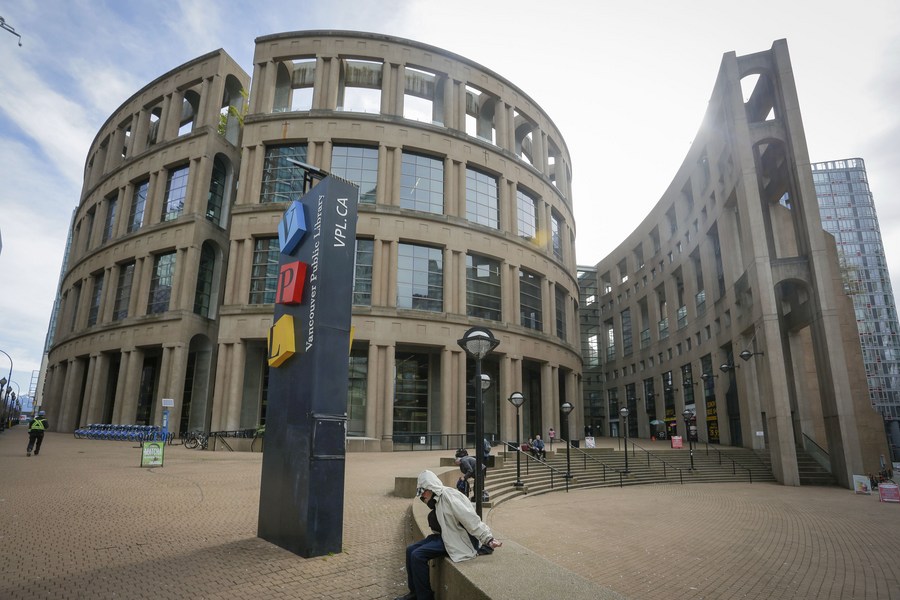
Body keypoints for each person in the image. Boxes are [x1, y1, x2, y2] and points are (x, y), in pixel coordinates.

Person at [395, 470, 502, 600]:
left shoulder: (450, 497)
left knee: (418, 555)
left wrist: (488, 538)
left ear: (431, 488)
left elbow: (471, 520)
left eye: (423, 492)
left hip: (457, 538)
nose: (422, 496)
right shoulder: (437, 498)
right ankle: (415, 593)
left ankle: (425, 597)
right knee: (410, 550)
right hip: (446, 535)